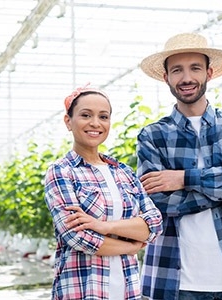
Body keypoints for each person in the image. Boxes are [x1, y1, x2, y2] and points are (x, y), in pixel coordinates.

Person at [136, 33, 222, 300]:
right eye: (177, 70)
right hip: (173, 283)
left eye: (195, 68)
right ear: (166, 77)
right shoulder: (153, 136)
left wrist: (185, 178)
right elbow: (154, 203)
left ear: (209, 73)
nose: (186, 77)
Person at [44, 84, 163, 300]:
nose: (95, 123)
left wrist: (103, 226)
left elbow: (154, 223)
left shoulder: (123, 171)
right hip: (82, 290)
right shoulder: (62, 171)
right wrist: (130, 246)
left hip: (128, 291)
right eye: (86, 115)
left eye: (103, 116)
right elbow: (78, 236)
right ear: (68, 121)